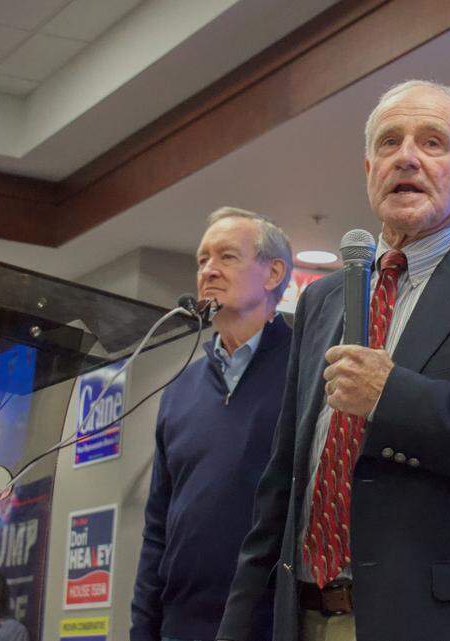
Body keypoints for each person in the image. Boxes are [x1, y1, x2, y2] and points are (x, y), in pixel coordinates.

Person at [216, 80, 450, 641]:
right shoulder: (322, 298)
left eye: (433, 142)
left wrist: (395, 397)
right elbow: (283, 485)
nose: (407, 156)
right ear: (369, 169)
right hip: (306, 616)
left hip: (438, 623)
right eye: (389, 143)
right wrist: (240, 625)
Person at [131, 208, 294, 641]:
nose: (208, 271)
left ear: (273, 273)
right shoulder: (179, 390)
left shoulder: (308, 371)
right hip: (180, 625)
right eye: (202, 260)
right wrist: (142, 630)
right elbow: (157, 529)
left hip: (272, 622)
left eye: (226, 257)